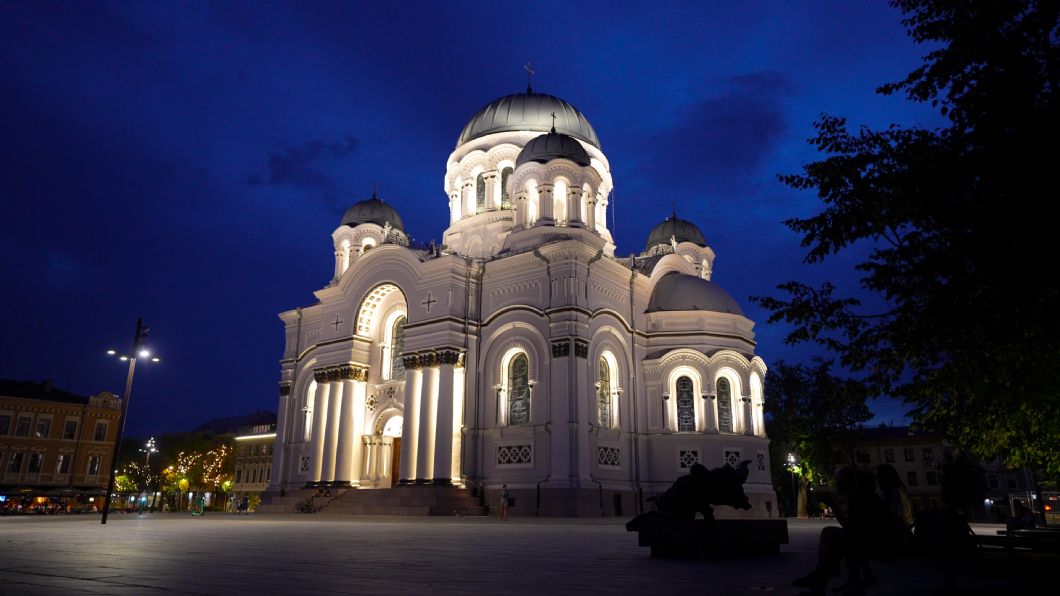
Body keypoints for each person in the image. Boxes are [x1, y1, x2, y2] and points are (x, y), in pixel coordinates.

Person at [792, 468, 894, 595]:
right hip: (869, 540)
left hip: (878, 544)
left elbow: (852, 529)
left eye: (839, 481)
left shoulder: (862, 500)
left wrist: (832, 504)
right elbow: (853, 529)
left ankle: (821, 579)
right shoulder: (857, 498)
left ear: (849, 483)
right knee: (831, 534)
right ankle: (825, 578)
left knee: (837, 540)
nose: (836, 484)